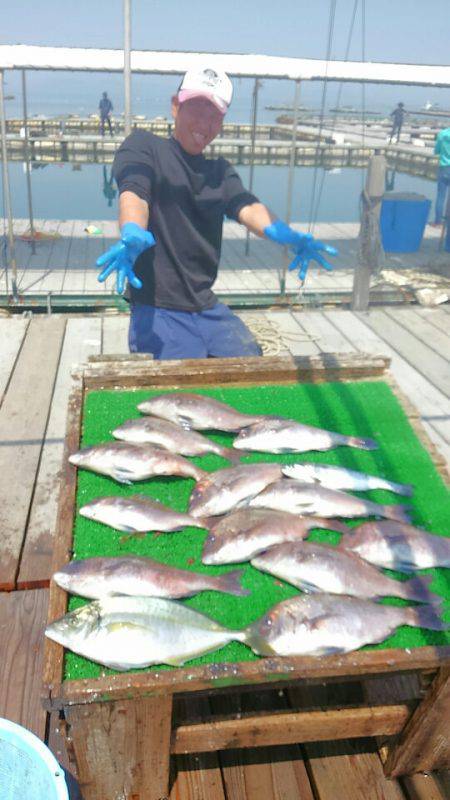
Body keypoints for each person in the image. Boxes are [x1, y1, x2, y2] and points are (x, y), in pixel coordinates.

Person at [97, 67, 337, 359]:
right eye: (196, 110)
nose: (204, 123)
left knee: (252, 362)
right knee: (180, 381)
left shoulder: (220, 172)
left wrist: (285, 234)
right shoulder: (144, 146)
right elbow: (135, 190)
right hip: (158, 306)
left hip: (206, 306)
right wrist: (133, 229)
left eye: (214, 115)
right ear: (175, 106)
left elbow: (247, 206)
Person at [431, 125, 450, 226]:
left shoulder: (442, 134)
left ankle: (438, 222)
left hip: (444, 167)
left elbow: (436, 151)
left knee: (441, 196)